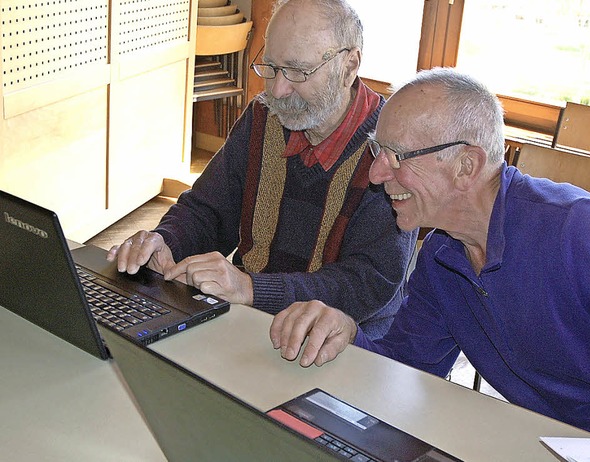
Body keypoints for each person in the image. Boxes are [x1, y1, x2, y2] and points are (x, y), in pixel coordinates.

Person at [269, 67, 590, 438]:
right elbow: (408, 368)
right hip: (544, 442)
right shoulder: (441, 256)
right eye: (376, 151)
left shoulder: (580, 232)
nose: (376, 174)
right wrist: (347, 334)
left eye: (397, 156)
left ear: (468, 165)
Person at [106, 0, 417, 338]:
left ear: (349, 65)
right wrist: (167, 241)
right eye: (271, 67)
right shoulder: (264, 116)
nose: (279, 90)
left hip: (346, 343)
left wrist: (252, 288)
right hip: (249, 320)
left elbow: (366, 283)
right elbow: (208, 211)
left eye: (298, 71)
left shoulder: (389, 151)